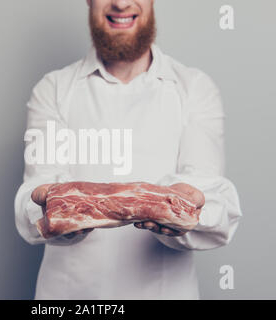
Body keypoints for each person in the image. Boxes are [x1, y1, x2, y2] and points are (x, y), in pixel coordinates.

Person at [14, 0, 242, 299]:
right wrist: (51, 213)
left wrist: (188, 215)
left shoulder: (195, 89)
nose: (121, 3)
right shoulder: (54, 89)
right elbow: (32, 194)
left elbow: (213, 200)